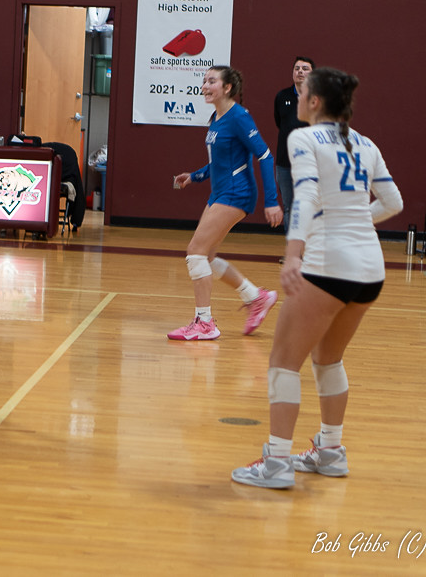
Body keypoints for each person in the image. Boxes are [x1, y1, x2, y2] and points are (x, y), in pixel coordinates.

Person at [231, 67, 403, 489]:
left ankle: (275, 462)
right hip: (370, 270)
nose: (298, 95)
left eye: (303, 91)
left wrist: (294, 254)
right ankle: (330, 451)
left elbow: (305, 196)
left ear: (315, 102)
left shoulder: (303, 138)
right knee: (328, 358)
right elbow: (393, 201)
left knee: (282, 363)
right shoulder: (366, 143)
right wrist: (356, 221)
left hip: (328, 266)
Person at [169, 66, 282, 341]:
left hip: (236, 193)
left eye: (212, 81)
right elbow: (219, 162)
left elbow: (265, 156)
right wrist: (195, 176)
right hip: (220, 192)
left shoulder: (239, 117)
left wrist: (272, 201)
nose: (205, 86)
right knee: (206, 257)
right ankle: (256, 297)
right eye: (204, 81)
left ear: (228, 87)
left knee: (195, 251)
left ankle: (204, 323)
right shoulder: (216, 118)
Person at [273, 56, 315, 233]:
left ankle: (310, 251)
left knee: (309, 207)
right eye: (297, 68)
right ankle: (294, 253)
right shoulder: (282, 96)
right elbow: (279, 123)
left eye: (305, 69)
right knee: (290, 206)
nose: (300, 71)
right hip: (285, 163)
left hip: (311, 164)